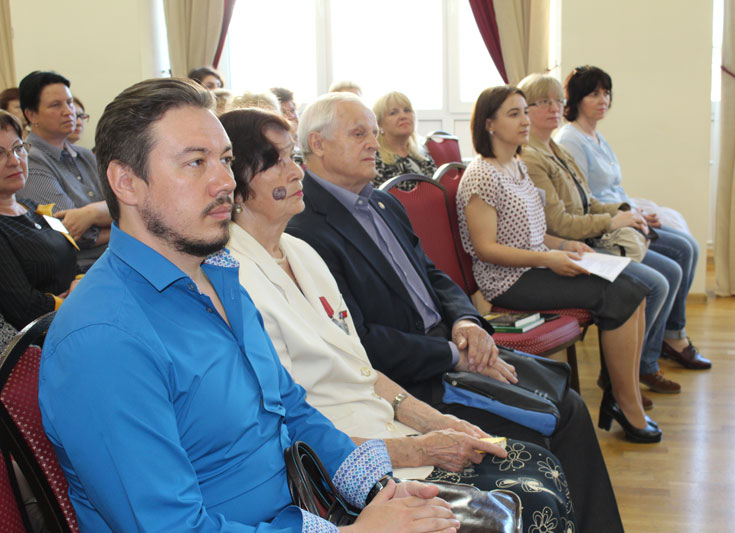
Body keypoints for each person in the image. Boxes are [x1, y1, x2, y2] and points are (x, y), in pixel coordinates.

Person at [38, 78, 460, 533]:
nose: (225, 181)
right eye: (195, 162)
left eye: (225, 160)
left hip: (303, 512)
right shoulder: (103, 338)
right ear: (127, 182)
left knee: (502, 508)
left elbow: (292, 411)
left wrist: (379, 489)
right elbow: (171, 527)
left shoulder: (220, 277)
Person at [221, 107, 575, 531]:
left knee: (541, 466)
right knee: (529, 498)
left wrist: (438, 423)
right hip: (341, 462)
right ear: (235, 185)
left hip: (382, 422)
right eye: (276, 162)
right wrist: (423, 448)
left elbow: (362, 367)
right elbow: (289, 426)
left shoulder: (300, 252)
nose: (297, 172)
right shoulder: (233, 280)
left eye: (292, 158)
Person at [287, 91, 626, 533]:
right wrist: (453, 355)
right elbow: (362, 343)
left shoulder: (382, 203)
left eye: (373, 132)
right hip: (413, 378)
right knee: (550, 425)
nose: (374, 143)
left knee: (567, 404)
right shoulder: (306, 228)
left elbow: (435, 275)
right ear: (317, 143)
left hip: (451, 349)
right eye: (358, 134)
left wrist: (467, 321)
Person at [456, 85, 658, 443]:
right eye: (514, 114)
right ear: (489, 124)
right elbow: (487, 249)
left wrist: (565, 246)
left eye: (524, 111)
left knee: (634, 288)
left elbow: (532, 232)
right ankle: (626, 404)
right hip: (509, 281)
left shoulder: (516, 165)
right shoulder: (482, 175)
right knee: (620, 294)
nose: (525, 120)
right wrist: (549, 258)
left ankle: (621, 393)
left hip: (536, 265)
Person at [517, 73, 689, 395]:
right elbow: (560, 224)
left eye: (557, 101)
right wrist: (612, 223)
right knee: (656, 283)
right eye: (543, 102)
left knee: (671, 269)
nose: (554, 108)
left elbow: (588, 200)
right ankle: (620, 377)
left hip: (586, 238)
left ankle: (634, 367)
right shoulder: (531, 156)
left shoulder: (555, 148)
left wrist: (624, 212)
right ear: (525, 110)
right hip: (569, 247)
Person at [556, 65, 709, 370]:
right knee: (679, 254)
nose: (603, 100)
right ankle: (660, 347)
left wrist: (637, 212)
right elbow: (583, 200)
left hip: (622, 214)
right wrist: (627, 215)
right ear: (576, 99)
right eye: (594, 94)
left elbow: (614, 189)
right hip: (604, 230)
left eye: (606, 93)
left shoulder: (596, 136)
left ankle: (669, 335)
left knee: (688, 246)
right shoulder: (570, 140)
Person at [17, 71, 110, 270]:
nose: (69, 111)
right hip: (81, 269)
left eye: (69, 103)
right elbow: (74, 233)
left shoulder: (85, 155)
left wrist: (92, 213)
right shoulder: (30, 160)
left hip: (114, 256)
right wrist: (125, 226)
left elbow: (129, 205)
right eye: (55, 105)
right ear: (31, 115)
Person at [0, 110, 79, 333]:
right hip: (45, 339)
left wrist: (80, 284)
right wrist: (78, 302)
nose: (14, 161)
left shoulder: (35, 208)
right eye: (0, 154)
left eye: (18, 148)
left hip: (78, 316)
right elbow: (26, 309)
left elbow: (73, 260)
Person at [372, 91, 437, 190]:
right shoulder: (373, 159)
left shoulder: (422, 154)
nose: (403, 116)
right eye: (393, 113)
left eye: (407, 110)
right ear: (379, 123)